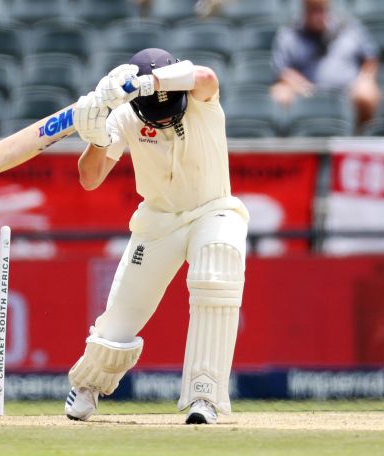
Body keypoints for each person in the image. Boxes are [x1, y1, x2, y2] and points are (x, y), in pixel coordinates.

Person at [64, 48, 250, 424]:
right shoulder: (127, 113)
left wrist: (154, 82)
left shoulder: (200, 97)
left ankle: (205, 397)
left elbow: (206, 76)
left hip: (213, 208)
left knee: (217, 265)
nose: (164, 122)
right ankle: (87, 386)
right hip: (159, 219)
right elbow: (89, 178)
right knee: (120, 315)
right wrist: (97, 136)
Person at [270, 0, 381, 126]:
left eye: (321, 10)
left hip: (348, 91)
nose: (318, 15)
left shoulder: (349, 27)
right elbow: (282, 69)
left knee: (366, 94)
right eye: (313, 10)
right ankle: (291, 143)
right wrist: (301, 85)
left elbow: (370, 58)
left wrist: (365, 78)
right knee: (279, 94)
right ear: (304, 11)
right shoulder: (290, 34)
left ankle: (361, 138)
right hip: (306, 91)